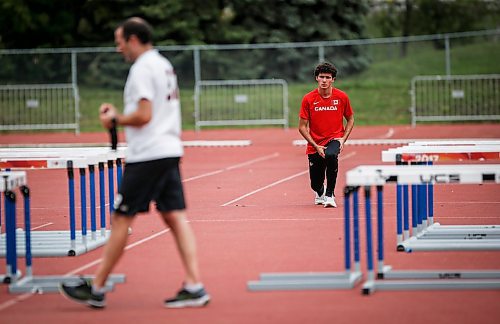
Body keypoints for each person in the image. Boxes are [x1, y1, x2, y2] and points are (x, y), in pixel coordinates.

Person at [59, 17, 210, 309]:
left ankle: (98, 287)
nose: (118, 49)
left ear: (132, 39)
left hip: (149, 154)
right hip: (167, 149)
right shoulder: (163, 64)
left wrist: (114, 119)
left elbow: (143, 115)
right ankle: (195, 285)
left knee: (121, 218)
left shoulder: (142, 68)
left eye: (119, 42)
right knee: (175, 217)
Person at [298, 62, 354, 208]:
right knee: (315, 183)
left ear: (333, 79)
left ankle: (330, 195)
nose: (324, 80)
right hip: (315, 143)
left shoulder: (341, 97)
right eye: (321, 77)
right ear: (317, 78)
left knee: (331, 156)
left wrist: (342, 139)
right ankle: (321, 191)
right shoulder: (308, 99)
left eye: (327, 77)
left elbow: (350, 119)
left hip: (334, 139)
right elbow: (302, 127)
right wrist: (315, 145)